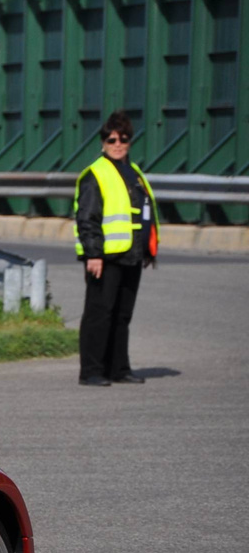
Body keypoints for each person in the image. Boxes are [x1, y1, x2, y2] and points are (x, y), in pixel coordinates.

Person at [74, 111, 159, 386]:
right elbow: (87, 218)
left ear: (130, 142)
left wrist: (147, 250)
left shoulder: (134, 174)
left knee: (122, 315)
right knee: (99, 314)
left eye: (123, 139)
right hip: (106, 257)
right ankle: (91, 371)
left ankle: (118, 369)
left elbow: (142, 215)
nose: (118, 144)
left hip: (131, 256)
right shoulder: (96, 174)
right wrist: (93, 254)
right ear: (103, 142)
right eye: (111, 140)